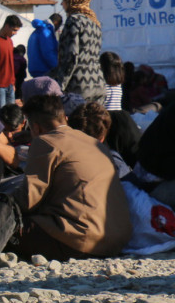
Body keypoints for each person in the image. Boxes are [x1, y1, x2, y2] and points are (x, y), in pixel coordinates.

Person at [15, 94, 131, 259]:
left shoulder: (45, 142)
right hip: (117, 239)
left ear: (36, 127)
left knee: (2, 226)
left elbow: (27, 201)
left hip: (80, 240)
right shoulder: (95, 143)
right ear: (64, 117)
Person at [54, 0, 105, 104]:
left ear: (72, 0)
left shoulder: (74, 20)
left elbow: (71, 57)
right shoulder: (94, 23)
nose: (62, 4)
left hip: (79, 85)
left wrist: (60, 86)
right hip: (98, 83)